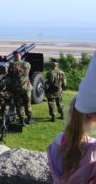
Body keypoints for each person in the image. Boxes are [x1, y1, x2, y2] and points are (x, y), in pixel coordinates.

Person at [47, 51, 96, 184]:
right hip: (59, 91)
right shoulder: (92, 149)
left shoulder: (54, 145)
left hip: (52, 92)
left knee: (52, 106)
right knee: (56, 105)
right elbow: (64, 83)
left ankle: (52, 116)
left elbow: (48, 83)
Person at [6, 50, 34, 126]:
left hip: (16, 88)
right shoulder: (26, 64)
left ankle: (21, 120)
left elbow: (9, 78)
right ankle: (29, 119)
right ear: (20, 56)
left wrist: (9, 88)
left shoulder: (12, 65)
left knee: (18, 105)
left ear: (14, 56)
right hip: (26, 87)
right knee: (27, 104)